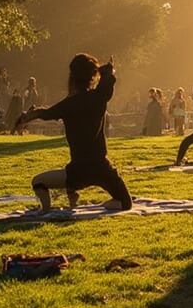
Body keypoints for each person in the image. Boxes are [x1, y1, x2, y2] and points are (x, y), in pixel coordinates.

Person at [15, 54, 132, 212]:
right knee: (125, 204)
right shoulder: (99, 97)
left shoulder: (69, 104)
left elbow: (46, 113)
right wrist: (106, 69)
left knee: (38, 182)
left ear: (73, 77)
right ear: (91, 76)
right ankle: (71, 194)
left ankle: (46, 211)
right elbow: (108, 79)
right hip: (103, 167)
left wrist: (27, 117)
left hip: (79, 171)